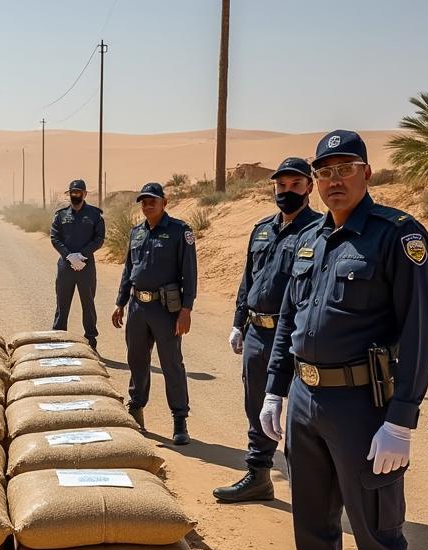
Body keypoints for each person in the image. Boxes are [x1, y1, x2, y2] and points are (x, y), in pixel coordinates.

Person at [254, 130, 428, 550]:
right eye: (324, 169)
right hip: (306, 400)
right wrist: (276, 389)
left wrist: (402, 420)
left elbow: (419, 333)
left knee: (378, 531)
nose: (334, 179)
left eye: (346, 167)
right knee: (312, 516)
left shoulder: (398, 236)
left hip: (364, 409)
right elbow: (288, 316)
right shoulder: (310, 238)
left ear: (367, 174)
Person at [214, 158, 320, 503]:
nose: (286, 191)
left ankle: (310, 490)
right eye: (281, 185)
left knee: (302, 414)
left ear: (309, 187)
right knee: (257, 405)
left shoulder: (319, 231)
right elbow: (249, 280)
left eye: (294, 185)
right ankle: (259, 474)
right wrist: (237, 322)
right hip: (258, 333)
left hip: (294, 337)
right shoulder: (262, 229)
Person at [111, 182, 196, 445]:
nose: (147, 206)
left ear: (164, 203)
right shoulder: (136, 232)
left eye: (153, 201)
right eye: (144, 202)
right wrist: (120, 302)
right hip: (138, 307)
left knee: (171, 363)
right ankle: (136, 409)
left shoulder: (180, 232)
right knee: (136, 359)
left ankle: (179, 420)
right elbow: (128, 270)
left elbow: (189, 274)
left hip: (165, 309)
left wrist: (186, 310)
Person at [49, 179, 106, 348]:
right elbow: (55, 237)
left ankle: (90, 338)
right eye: (73, 192)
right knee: (62, 302)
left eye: (79, 192)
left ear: (85, 194)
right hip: (66, 266)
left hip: (86, 266)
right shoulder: (61, 215)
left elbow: (99, 238)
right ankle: (59, 336)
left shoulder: (95, 215)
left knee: (88, 303)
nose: (75, 195)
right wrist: (68, 256)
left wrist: (82, 255)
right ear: (69, 194)